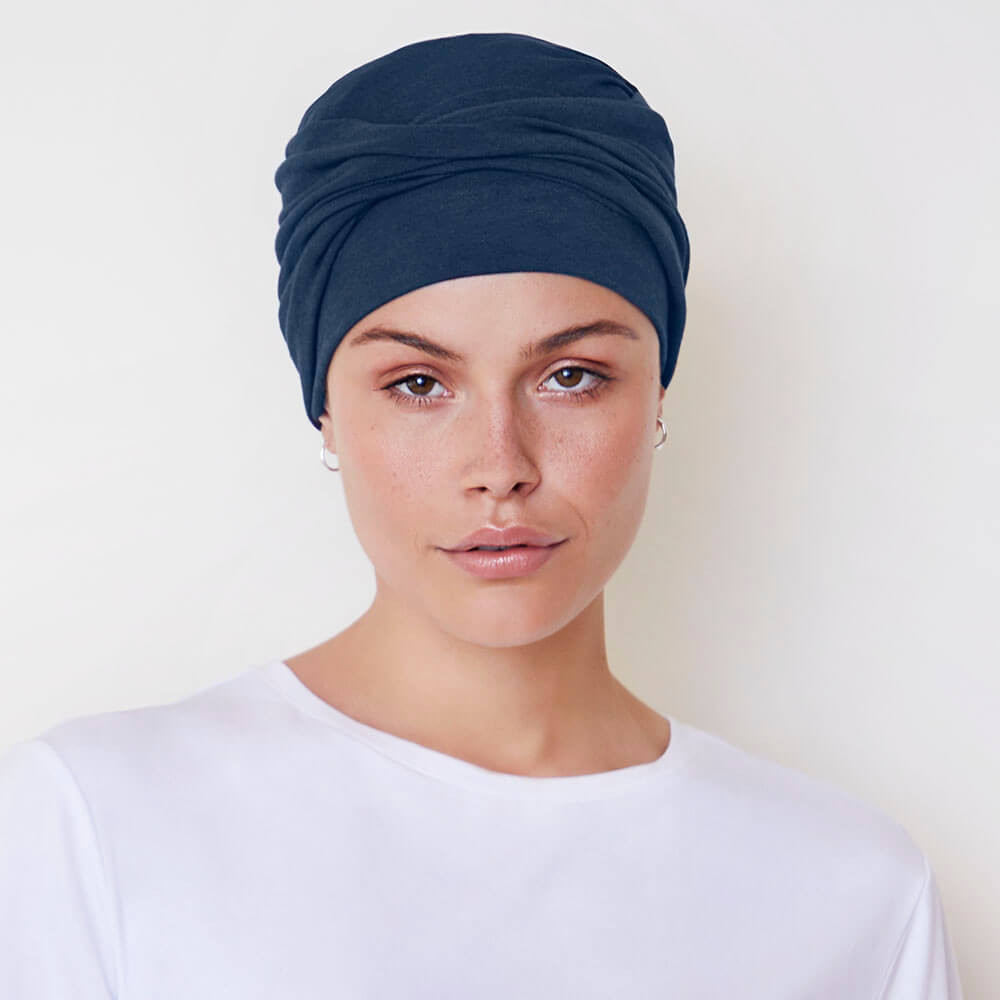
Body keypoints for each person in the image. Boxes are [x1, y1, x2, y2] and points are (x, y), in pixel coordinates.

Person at [0, 32, 963, 998]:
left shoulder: (852, 896)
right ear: (326, 410)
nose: (501, 467)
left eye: (572, 376)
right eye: (419, 383)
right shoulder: (100, 823)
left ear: (657, 396)